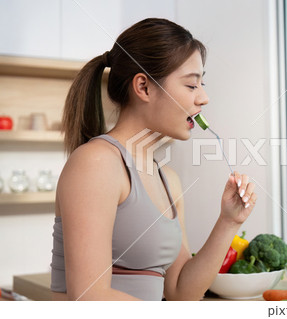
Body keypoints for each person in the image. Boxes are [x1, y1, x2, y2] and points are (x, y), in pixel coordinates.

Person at [50, 18, 257, 301]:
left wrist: (229, 222)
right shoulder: (96, 163)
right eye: (192, 85)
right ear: (144, 87)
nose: (204, 98)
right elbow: (89, 296)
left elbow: (180, 292)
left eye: (202, 84)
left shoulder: (167, 179)